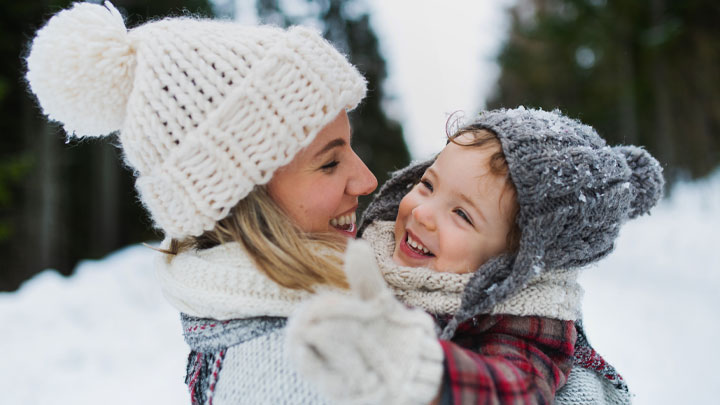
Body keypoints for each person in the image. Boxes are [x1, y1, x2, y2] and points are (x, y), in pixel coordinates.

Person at [25, 2, 391, 404]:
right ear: (243, 201)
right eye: (330, 163)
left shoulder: (286, 324)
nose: (367, 180)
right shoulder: (294, 371)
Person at [286, 107, 664, 404]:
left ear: (515, 263)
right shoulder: (372, 248)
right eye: (428, 185)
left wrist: (420, 367)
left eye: (462, 214)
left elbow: (514, 392)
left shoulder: (522, 318)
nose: (422, 212)